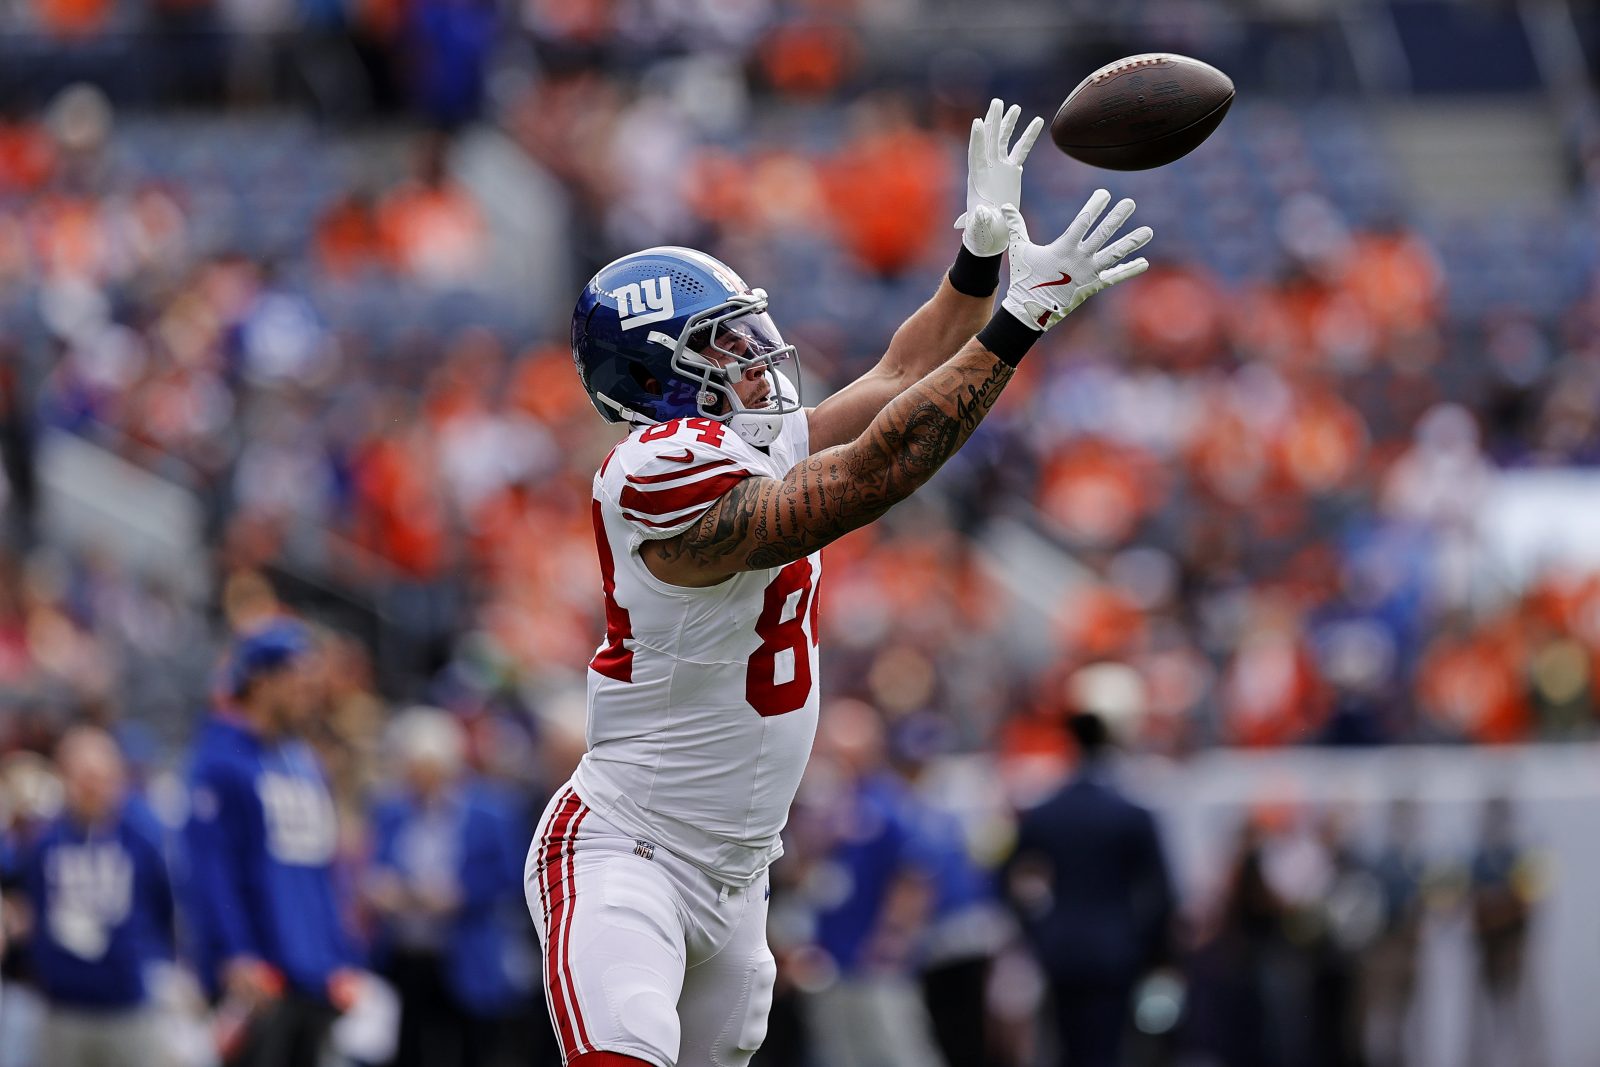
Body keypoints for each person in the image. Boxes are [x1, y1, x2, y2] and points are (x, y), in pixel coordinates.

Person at [527, 97, 1154, 1067]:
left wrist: (980, 265)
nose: (754, 360)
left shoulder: (733, 440)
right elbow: (868, 475)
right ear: (656, 373)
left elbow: (902, 369)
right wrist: (1021, 321)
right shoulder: (655, 467)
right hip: (628, 850)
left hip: (736, 876)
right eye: (721, 346)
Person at [183, 619, 361, 1067]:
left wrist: (338, 953)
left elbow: (322, 869)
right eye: (298, 679)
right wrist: (236, 952)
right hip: (263, 974)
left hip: (314, 970)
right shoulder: (220, 762)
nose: (309, 692)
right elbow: (211, 869)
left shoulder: (303, 762)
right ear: (262, 682)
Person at [1006, 712, 1175, 1067]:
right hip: (1115, 948)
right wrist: (1149, 946)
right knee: (1106, 1047)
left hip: (1061, 947)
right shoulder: (1129, 813)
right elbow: (1161, 892)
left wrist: (1037, 929)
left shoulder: (1046, 812)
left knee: (1067, 1046)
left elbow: (1006, 879)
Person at [365, 706, 532, 1067]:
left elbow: (512, 877)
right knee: (409, 1048)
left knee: (469, 1050)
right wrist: (384, 889)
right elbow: (377, 865)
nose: (419, 780)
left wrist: (461, 895)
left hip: (464, 953)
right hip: (409, 952)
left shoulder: (489, 811)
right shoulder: (393, 810)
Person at [18, 726, 175, 1067]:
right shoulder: (44, 843)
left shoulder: (141, 839)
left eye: (99, 776)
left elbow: (162, 907)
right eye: (82, 776)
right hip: (63, 1007)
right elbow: (32, 905)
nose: (91, 787)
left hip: (127, 1005)